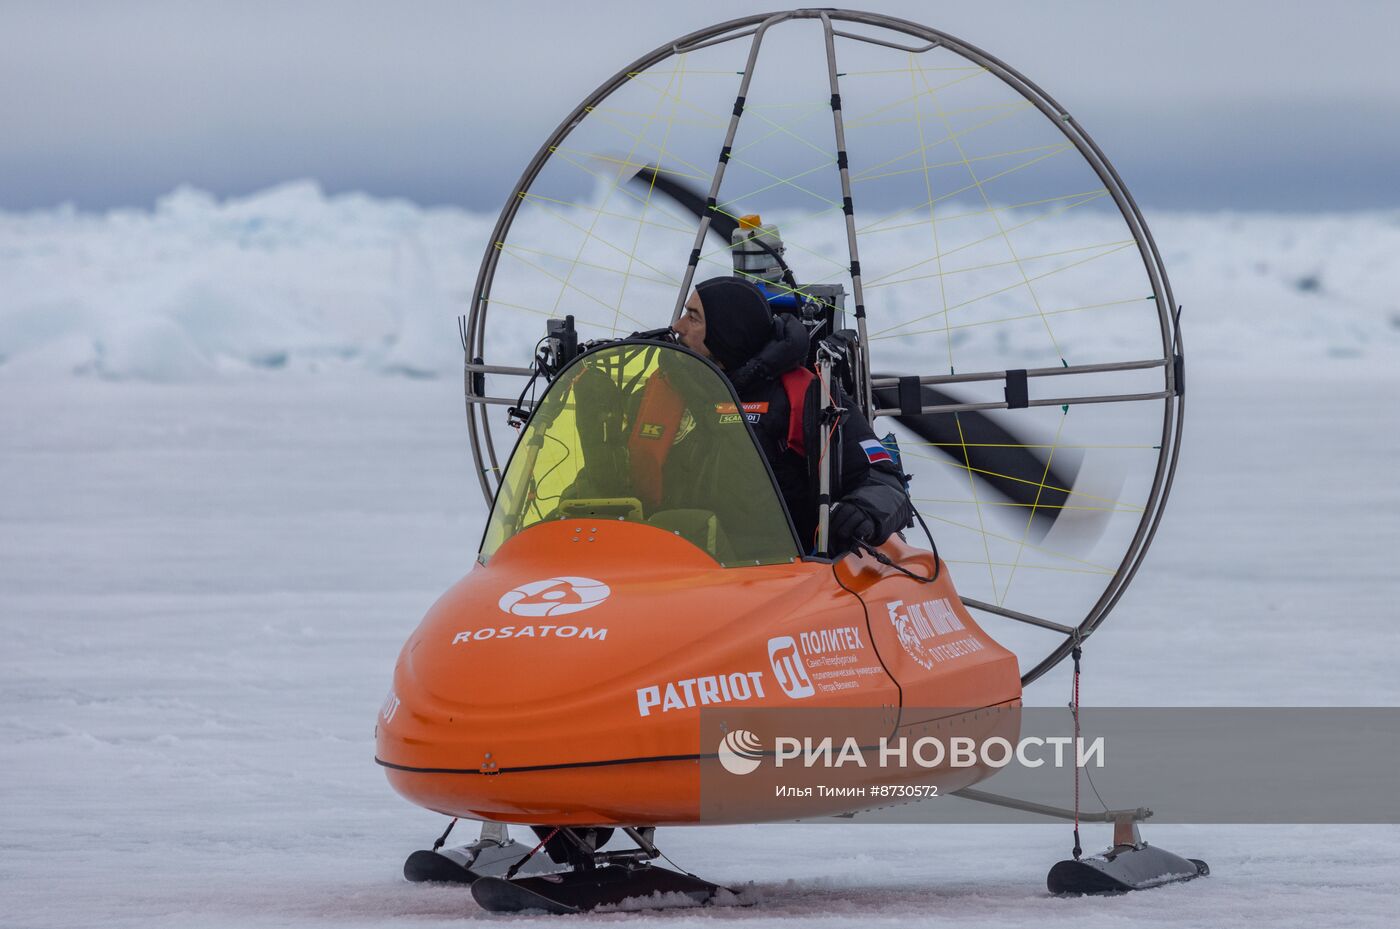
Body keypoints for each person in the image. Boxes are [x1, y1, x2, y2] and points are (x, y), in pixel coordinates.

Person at [672, 276, 912, 554]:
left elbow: (885, 482)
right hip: (669, 563)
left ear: (727, 331)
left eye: (693, 317)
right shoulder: (672, 386)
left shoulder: (804, 393)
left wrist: (862, 511)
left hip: (774, 570)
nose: (678, 327)